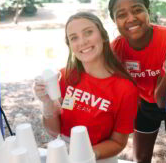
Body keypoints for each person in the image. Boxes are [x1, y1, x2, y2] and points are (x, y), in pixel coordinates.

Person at [108, 0, 166, 163]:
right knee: (141, 157)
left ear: (148, 12)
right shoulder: (116, 49)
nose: (131, 18)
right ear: (114, 21)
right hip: (143, 102)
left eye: (137, 10)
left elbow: (162, 101)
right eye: (121, 14)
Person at [33, 12, 139, 160]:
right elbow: (54, 131)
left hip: (99, 158)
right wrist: (47, 102)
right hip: (65, 155)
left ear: (103, 35)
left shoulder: (125, 89)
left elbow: (118, 142)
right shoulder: (64, 76)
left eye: (88, 32)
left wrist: (85, 154)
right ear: (69, 45)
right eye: (74, 37)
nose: (82, 42)